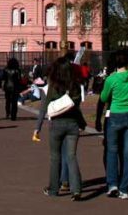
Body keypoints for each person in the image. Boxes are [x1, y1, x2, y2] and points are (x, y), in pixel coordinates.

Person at [35, 57, 85, 200]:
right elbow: (77, 107)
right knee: (71, 156)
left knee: (55, 157)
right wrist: (82, 123)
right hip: (72, 124)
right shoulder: (74, 85)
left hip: (56, 124)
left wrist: (37, 128)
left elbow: (43, 109)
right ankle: (76, 189)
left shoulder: (52, 85)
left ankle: (53, 188)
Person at [99, 49, 128, 199]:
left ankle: (112, 184)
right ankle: (125, 188)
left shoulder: (111, 79)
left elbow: (104, 97)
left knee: (112, 150)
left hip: (115, 115)